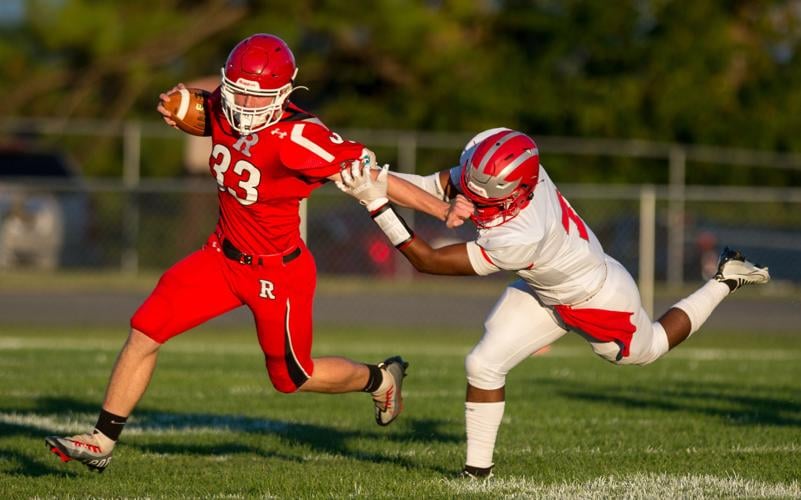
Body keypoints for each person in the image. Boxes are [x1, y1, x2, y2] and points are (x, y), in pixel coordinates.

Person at [44, 33, 469, 473]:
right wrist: (177, 102)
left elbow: (375, 177)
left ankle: (380, 378)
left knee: (292, 377)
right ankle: (102, 441)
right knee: (145, 330)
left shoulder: (300, 136)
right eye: (238, 93)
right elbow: (201, 107)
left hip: (277, 273)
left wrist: (440, 209)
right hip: (220, 257)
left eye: (256, 97)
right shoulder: (223, 106)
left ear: (284, 93)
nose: (244, 106)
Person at [337, 127, 771, 478]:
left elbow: (428, 261)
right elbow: (435, 186)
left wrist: (376, 205)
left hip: (596, 297)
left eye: (485, 196)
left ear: (516, 191)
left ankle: (723, 279)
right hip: (544, 290)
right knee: (483, 365)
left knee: (651, 348)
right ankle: (476, 473)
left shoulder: (521, 234)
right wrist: (368, 177)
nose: (472, 196)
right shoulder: (507, 166)